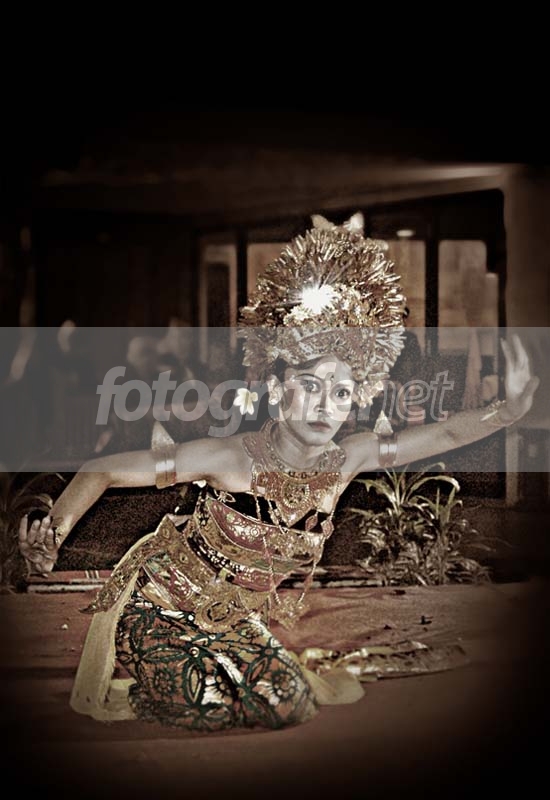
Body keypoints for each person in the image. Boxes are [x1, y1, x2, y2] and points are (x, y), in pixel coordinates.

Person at [18, 213, 538, 732]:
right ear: (276, 388)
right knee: (212, 704)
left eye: (340, 393)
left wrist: (507, 412)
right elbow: (104, 469)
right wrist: (53, 533)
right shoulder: (229, 457)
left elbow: (442, 436)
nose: (325, 405)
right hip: (158, 609)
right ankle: (174, 684)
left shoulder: (346, 461)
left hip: (233, 623)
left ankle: (214, 676)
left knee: (290, 704)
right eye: (310, 386)